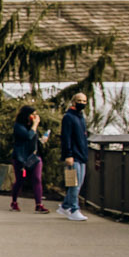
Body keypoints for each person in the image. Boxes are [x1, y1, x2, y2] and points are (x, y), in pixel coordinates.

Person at [56, 92, 91, 221]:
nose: (82, 103)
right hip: (73, 155)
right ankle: (74, 209)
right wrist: (68, 154)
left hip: (82, 155)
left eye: (84, 101)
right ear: (73, 101)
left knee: (78, 183)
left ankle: (65, 206)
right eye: (79, 100)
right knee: (74, 183)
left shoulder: (81, 117)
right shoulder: (68, 117)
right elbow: (66, 137)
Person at [10, 105, 48, 213]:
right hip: (21, 158)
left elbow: (34, 140)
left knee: (37, 178)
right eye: (33, 115)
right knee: (20, 180)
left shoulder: (32, 127)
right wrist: (35, 125)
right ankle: (14, 201)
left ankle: (39, 204)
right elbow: (28, 136)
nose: (35, 117)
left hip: (34, 157)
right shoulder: (18, 126)